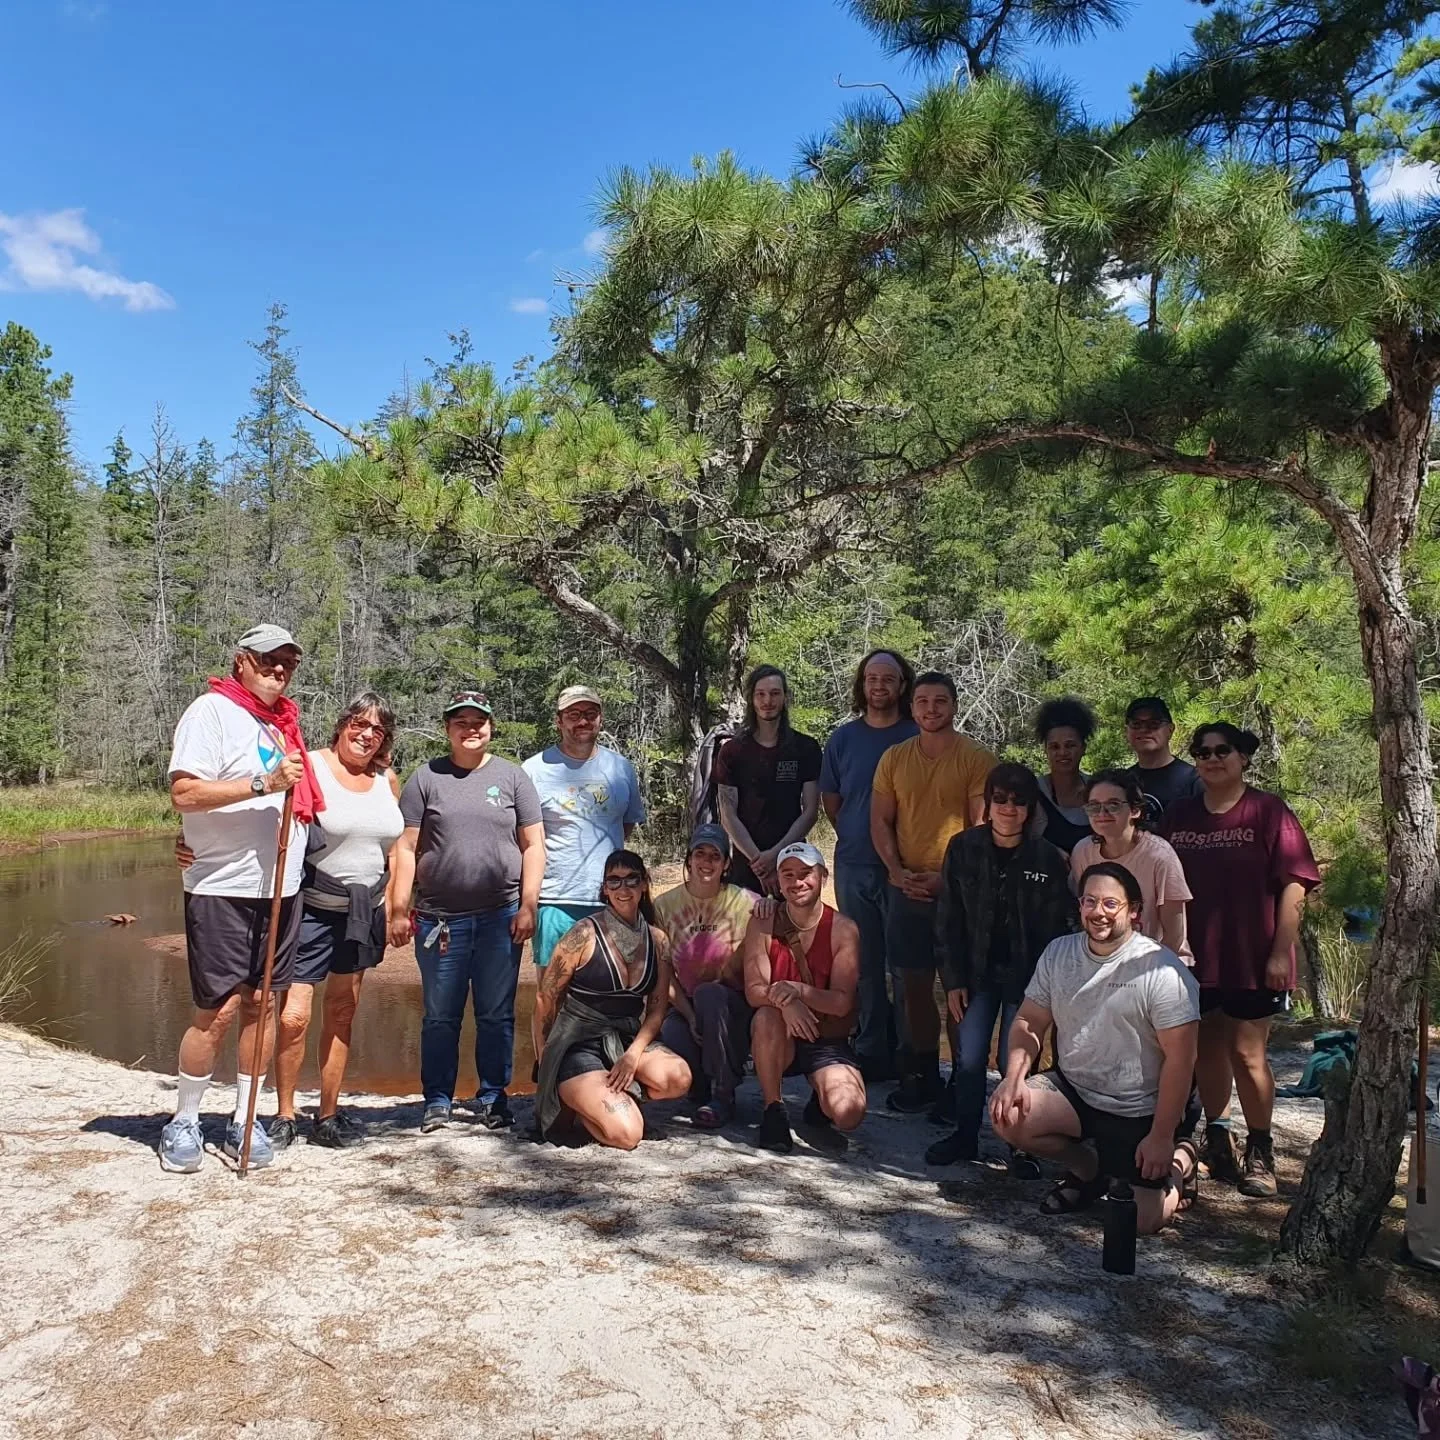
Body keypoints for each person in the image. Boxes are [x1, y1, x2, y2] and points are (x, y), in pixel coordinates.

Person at [176, 692, 404, 1150]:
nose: (366, 735)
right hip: (311, 906)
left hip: (363, 911)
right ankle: (284, 1113)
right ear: (341, 726)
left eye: (377, 729)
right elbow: (262, 816)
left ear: (385, 740)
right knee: (294, 1016)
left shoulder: (388, 779)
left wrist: (397, 905)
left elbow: (396, 849)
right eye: (358, 724)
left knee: (342, 1011)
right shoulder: (309, 765)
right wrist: (186, 840)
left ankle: (330, 1113)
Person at [160, 624, 322, 1173]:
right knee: (220, 1009)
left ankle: (243, 1117)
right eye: (269, 660)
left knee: (264, 1003)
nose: (279, 670)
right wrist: (261, 785)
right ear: (242, 661)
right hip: (222, 889)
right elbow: (185, 793)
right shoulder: (210, 712)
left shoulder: (282, 724)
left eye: (288, 663)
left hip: (282, 887)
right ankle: (184, 1119)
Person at [990, 863, 1201, 1233]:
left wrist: (1162, 1136)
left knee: (1138, 1223)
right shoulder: (1059, 953)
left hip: (1138, 1106)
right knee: (1007, 1114)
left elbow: (1181, 1060)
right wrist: (1014, 1076)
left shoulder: (1163, 972)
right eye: (1090, 901)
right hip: (1076, 1090)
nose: (1097, 912)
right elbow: (1028, 1021)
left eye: (1109, 903)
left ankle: (1181, 1162)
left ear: (1134, 911)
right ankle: (1089, 1170)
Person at [1162, 723, 1319, 1197]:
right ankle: (1218, 1138)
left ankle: (1261, 1150)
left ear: (1243, 757)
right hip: (1193, 958)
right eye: (1202, 752)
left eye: (1222, 750)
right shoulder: (1180, 816)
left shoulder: (1269, 812)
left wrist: (1280, 952)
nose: (1212, 758)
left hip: (1253, 957)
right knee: (1206, 1049)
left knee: (1248, 1054)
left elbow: (1296, 885)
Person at [389, 690, 545, 1133]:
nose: (471, 728)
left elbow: (534, 845)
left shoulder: (513, 778)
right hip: (440, 921)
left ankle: (494, 1098)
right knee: (441, 1015)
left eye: (479, 721)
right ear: (447, 728)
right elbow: (405, 847)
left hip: (502, 916)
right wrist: (400, 908)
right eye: (461, 721)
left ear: (491, 727)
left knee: (496, 1014)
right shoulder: (426, 778)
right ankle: (437, 1100)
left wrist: (528, 906)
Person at [929, 763, 1077, 1167]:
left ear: (1030, 809)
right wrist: (953, 979)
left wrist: (1045, 992)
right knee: (970, 1057)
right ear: (988, 804)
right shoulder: (962, 848)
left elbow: (1055, 933)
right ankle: (964, 1136)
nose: (1008, 808)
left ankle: (1018, 1144)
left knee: (1016, 1061)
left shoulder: (1047, 859)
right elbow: (948, 920)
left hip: (1026, 982)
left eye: (1018, 801)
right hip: (974, 976)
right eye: (1000, 799)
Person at [871, 670, 996, 1114]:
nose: (930, 709)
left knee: (959, 987)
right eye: (922, 701)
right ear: (912, 706)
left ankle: (962, 1083)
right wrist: (896, 871)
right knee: (913, 985)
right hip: (906, 888)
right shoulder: (894, 759)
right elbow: (881, 821)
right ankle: (921, 1074)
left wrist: (948, 879)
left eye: (940, 701)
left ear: (954, 706)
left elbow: (982, 827)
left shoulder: (977, 758)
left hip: (961, 892)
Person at [533, 850, 691, 1148]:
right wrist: (545, 1064)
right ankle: (580, 1101)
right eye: (614, 881)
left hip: (624, 1038)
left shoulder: (658, 940)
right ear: (604, 888)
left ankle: (608, 1094)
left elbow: (657, 1009)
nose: (623, 888)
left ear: (645, 883)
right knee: (628, 1135)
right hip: (577, 1042)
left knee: (678, 1077)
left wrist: (632, 1055)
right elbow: (545, 998)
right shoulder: (583, 934)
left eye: (632, 879)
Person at [819, 649, 918, 1081]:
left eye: (888, 679)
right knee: (865, 963)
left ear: (902, 685)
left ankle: (913, 1055)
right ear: (862, 685)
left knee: (909, 963)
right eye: (871, 679)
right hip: (856, 863)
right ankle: (873, 1049)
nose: (879, 686)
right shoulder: (843, 739)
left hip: (908, 866)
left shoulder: (918, 735)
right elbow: (833, 801)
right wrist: (861, 833)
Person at [744, 842, 866, 1154]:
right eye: (788, 874)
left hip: (825, 1035)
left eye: (805, 873)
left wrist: (797, 991)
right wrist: (788, 1004)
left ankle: (820, 1104)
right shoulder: (763, 921)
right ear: (778, 882)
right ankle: (774, 1109)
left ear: (823, 876)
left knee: (849, 1113)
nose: (797, 882)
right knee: (765, 1016)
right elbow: (754, 990)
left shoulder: (844, 929)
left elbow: (842, 1003)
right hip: (779, 1033)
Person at [523, 685, 645, 974]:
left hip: (615, 896)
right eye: (573, 714)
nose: (582, 721)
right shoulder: (534, 770)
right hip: (556, 899)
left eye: (590, 714)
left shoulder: (620, 768)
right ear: (559, 720)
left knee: (617, 985)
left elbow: (624, 824)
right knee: (552, 995)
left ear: (600, 719)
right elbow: (526, 838)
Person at [654, 824, 769, 1129]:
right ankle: (700, 1085)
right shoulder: (664, 906)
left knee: (710, 994)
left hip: (732, 1004)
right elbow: (662, 974)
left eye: (715, 856)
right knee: (673, 1029)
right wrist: (689, 1015)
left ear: (726, 864)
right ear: (689, 859)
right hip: (688, 1002)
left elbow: (774, 931)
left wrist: (773, 907)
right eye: (700, 854)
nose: (706, 862)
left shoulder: (746, 901)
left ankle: (723, 1092)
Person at [715, 665, 822, 895]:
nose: (768, 701)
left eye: (775, 693)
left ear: (785, 697)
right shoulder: (732, 751)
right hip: (747, 864)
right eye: (760, 694)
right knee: (749, 929)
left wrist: (776, 856)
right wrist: (759, 862)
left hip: (793, 864)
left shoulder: (806, 748)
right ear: (751, 699)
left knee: (794, 929)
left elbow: (811, 811)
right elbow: (728, 815)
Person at [1069, 769, 1191, 960]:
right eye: (1093, 806)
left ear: (1135, 810)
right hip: (1105, 962)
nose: (1102, 813)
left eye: (1113, 805)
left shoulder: (1159, 855)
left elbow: (1174, 936)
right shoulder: (1082, 852)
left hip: (1160, 964)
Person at [1124, 697, 1203, 821]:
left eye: (1154, 724)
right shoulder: (1122, 781)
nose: (1144, 730)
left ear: (1170, 730)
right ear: (1126, 731)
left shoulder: (1194, 780)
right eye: (1136, 724)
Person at [1033, 697, 1096, 854]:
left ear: (1083, 748)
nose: (1062, 753)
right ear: (1045, 750)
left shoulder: (1099, 791)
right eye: (1054, 747)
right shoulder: (1032, 792)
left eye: (1070, 745)